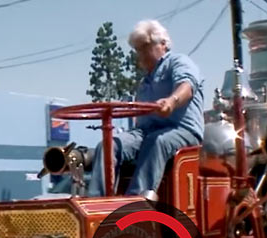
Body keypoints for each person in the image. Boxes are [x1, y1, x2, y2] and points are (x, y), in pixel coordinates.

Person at [88, 19, 205, 200]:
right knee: (109, 144)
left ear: (163, 44)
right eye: (137, 50)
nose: (140, 54)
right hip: (146, 132)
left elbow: (187, 84)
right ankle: (96, 203)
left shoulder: (178, 61)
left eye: (145, 47)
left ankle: (135, 203)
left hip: (183, 131)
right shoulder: (145, 81)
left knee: (157, 141)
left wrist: (172, 101)